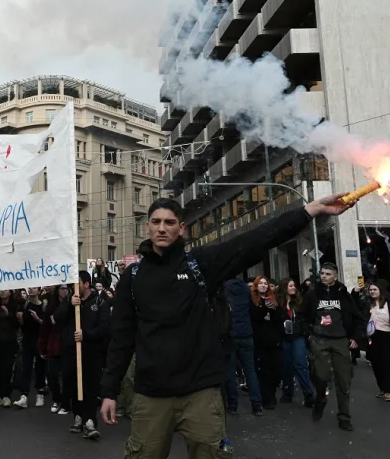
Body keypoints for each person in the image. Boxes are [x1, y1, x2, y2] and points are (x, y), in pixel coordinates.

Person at [100, 194, 351, 457]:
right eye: (156, 222)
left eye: (169, 222)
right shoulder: (133, 277)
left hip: (201, 392)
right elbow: (121, 338)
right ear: (148, 227)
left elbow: (255, 240)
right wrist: (109, 390)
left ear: (181, 228)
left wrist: (311, 210)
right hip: (151, 394)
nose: (162, 228)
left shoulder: (200, 264)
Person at [302, 262, 365, 431]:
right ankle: (321, 398)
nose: (324, 276)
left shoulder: (343, 294)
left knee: (344, 380)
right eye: (322, 273)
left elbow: (358, 317)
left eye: (328, 274)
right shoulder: (312, 294)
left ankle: (344, 416)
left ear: (335, 277)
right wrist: (309, 335)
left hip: (340, 340)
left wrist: (355, 338)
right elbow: (303, 317)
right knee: (320, 376)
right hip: (319, 339)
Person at [57, 270, 110, 441]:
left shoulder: (100, 302)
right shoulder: (70, 300)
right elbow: (57, 318)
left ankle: (89, 420)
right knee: (72, 384)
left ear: (86, 284)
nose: (74, 286)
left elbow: (104, 328)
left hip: (92, 353)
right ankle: (77, 416)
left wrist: (86, 335)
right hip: (71, 352)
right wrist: (69, 304)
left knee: (90, 387)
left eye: (77, 283)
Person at [223, 276, 262, 416]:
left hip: (231, 333)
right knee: (250, 371)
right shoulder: (246, 288)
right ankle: (256, 405)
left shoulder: (224, 288)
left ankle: (233, 405)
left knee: (230, 372)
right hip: (246, 332)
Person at [275, 278, 314, 407]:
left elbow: (306, 318)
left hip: (298, 337)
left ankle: (308, 394)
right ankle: (287, 393)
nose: (293, 288)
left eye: (294, 286)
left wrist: (305, 331)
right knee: (286, 366)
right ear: (284, 288)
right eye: (290, 286)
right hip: (284, 338)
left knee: (300, 364)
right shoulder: (277, 304)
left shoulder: (299, 302)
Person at [366, 281, 390, 402]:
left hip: (387, 336)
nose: (372, 292)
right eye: (370, 290)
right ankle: (382, 388)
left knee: (387, 364)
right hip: (373, 337)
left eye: (375, 289)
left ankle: (388, 391)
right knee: (375, 364)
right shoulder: (367, 303)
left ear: (380, 291)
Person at [250, 275, 282, 410]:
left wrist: (273, 310)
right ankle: (267, 399)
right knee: (263, 371)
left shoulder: (272, 299)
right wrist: (265, 309)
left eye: (265, 283)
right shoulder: (252, 300)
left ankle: (271, 394)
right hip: (260, 340)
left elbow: (279, 318)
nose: (263, 285)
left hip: (273, 340)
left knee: (275, 370)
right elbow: (255, 317)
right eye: (260, 283)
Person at [15, 287, 46, 408]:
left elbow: (46, 324)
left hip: (40, 340)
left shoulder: (43, 306)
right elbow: (22, 325)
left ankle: (40, 393)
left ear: (39, 291)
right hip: (27, 340)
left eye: (34, 288)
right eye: (30, 288)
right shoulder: (25, 305)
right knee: (26, 367)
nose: (32, 290)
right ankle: (24, 395)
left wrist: (37, 319)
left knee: (40, 367)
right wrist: (20, 319)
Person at [39, 284, 68, 414]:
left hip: (67, 342)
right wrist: (42, 345)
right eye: (62, 288)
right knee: (52, 374)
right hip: (53, 342)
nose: (64, 291)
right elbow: (45, 327)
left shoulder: (72, 306)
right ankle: (56, 399)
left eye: (66, 289)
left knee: (67, 375)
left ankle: (66, 401)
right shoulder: (51, 307)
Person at [0, 290, 19, 408]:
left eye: (5, 290)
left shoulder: (14, 306)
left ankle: (6, 395)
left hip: (9, 342)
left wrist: (9, 315)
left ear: (10, 292)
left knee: (7, 369)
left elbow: (17, 325)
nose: (2, 292)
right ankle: (0, 395)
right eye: (1, 290)